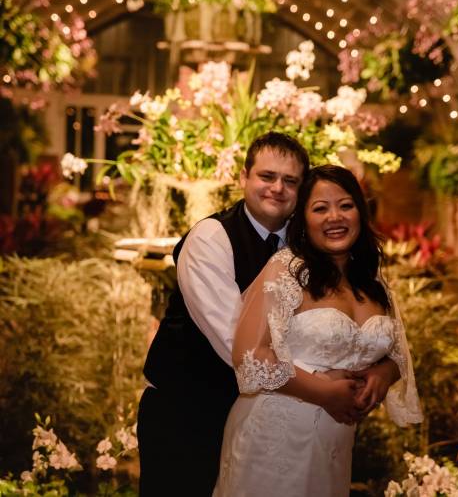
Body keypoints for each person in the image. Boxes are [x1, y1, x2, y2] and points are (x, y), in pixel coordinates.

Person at [213, 165, 423, 497]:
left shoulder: (371, 277)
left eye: (345, 205)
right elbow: (250, 357)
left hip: (335, 445)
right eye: (320, 208)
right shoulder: (287, 270)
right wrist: (324, 393)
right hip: (273, 439)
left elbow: (396, 350)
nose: (334, 217)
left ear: (360, 210)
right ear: (303, 220)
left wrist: (385, 372)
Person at [137, 132, 311, 496]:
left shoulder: (304, 246)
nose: (278, 188)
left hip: (260, 419)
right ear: (243, 177)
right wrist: (321, 386)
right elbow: (238, 345)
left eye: (290, 180)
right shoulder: (210, 238)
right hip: (186, 414)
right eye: (267, 176)